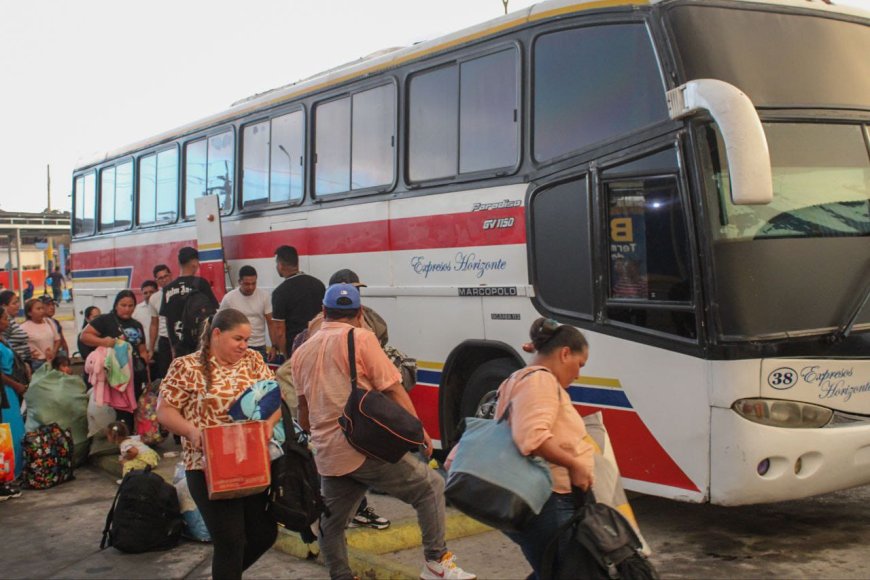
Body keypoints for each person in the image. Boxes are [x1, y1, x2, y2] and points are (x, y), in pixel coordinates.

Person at [291, 284, 475, 580]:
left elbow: (303, 411)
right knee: (430, 488)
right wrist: (419, 432)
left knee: (332, 522)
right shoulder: (361, 339)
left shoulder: (302, 351)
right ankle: (436, 562)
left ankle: (340, 575)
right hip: (362, 447)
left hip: (328, 454)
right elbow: (392, 388)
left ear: (324, 312)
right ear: (359, 313)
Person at [157, 308, 278, 580]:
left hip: (250, 462)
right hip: (206, 467)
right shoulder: (186, 366)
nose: (244, 345)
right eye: (238, 339)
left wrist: (267, 427)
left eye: (247, 339)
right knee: (231, 540)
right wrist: (191, 431)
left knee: (263, 533)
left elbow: (273, 400)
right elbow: (164, 410)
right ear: (216, 334)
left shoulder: (253, 360)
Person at [495, 318, 595, 579]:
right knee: (565, 573)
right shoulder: (540, 381)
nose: (578, 374)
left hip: (542, 498)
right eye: (579, 364)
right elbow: (532, 438)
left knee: (553, 571)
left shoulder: (519, 378)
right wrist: (574, 464)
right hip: (548, 499)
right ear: (564, 353)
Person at [80, 291, 150, 428]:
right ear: (116, 305)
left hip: (136, 374)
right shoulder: (105, 320)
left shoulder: (137, 325)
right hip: (115, 376)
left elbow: (142, 350)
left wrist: (146, 373)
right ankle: (121, 440)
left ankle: (134, 440)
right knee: (120, 413)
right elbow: (84, 336)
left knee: (136, 411)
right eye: (123, 305)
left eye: (131, 306)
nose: (127, 309)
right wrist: (104, 342)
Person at [160, 247, 219, 358]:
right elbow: (213, 313)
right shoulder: (201, 284)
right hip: (199, 343)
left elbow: (168, 321)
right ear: (194, 263)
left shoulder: (167, 289)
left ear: (179, 262)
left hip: (179, 345)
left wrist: (173, 346)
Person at [271, 245, 324, 358]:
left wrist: (286, 356)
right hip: (319, 346)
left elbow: (280, 331)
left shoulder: (280, 292)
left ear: (280, 265)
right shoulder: (318, 285)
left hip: (296, 351)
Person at [218, 265, 278, 361]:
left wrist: (274, 346)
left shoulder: (264, 296)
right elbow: (220, 322)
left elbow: (271, 323)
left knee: (259, 375)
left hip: (259, 346)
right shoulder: (229, 298)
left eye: (253, 283)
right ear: (239, 282)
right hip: (236, 346)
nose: (251, 287)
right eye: (246, 284)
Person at [0, 307, 26, 497]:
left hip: (9, 390)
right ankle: (4, 479)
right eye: (5, 318)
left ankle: (10, 476)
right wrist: (15, 385)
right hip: (5, 391)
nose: (8, 322)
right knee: (6, 434)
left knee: (13, 433)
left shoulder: (2, 338)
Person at [20, 298, 60, 371]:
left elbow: (57, 340)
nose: (42, 311)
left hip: (52, 360)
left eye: (42, 308)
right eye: (38, 309)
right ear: (29, 313)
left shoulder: (49, 322)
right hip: (37, 363)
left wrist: (53, 352)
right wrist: (28, 354)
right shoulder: (23, 328)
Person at [148, 264, 173, 379]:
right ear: (156, 281)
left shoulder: (180, 293)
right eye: (160, 278)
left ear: (171, 275)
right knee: (165, 374)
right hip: (164, 340)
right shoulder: (154, 298)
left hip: (179, 339)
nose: (164, 280)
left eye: (166, 276)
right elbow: (154, 324)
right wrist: (151, 349)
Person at [0, 291, 33, 371]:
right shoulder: (6, 324)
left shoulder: (11, 321)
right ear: (4, 306)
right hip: (15, 367)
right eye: (14, 303)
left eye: (17, 302)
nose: (18, 305)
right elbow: (4, 345)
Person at [134, 280, 158, 354]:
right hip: (143, 352)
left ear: (157, 292)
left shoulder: (162, 308)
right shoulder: (136, 310)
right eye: (145, 293)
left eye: (151, 292)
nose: (148, 295)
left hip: (160, 351)